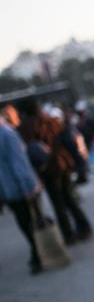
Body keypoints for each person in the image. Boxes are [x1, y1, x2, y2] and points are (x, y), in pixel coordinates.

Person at [15, 98, 93, 245]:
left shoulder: (25, 128)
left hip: (46, 169)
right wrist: (79, 163)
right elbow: (68, 142)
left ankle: (68, 235)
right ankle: (84, 227)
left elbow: (28, 153)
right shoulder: (52, 120)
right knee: (68, 198)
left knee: (58, 203)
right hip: (62, 164)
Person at [0, 105, 42, 274]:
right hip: (16, 189)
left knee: (28, 222)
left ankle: (38, 254)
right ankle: (39, 252)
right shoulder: (7, 133)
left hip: (16, 189)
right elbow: (17, 163)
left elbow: (18, 163)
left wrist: (25, 187)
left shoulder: (7, 134)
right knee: (29, 222)